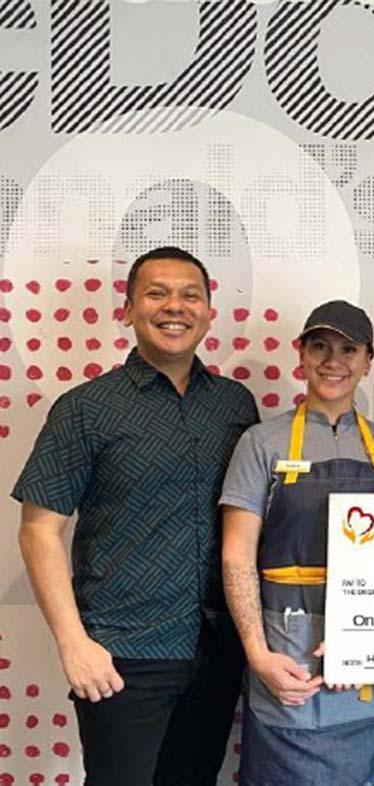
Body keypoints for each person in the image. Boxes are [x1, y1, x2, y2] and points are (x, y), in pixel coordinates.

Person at [12, 246, 259, 785]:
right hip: (122, 652)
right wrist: (73, 642)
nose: (175, 306)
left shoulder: (236, 405)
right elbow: (38, 530)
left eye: (190, 295)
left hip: (216, 648)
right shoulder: (85, 408)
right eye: (156, 293)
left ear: (209, 312)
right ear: (127, 309)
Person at [219, 300, 374, 786]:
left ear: (368, 361)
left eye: (348, 349)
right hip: (290, 661)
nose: (333, 361)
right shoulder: (260, 443)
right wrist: (257, 655)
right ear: (301, 355)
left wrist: (366, 640)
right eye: (319, 347)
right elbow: (236, 555)